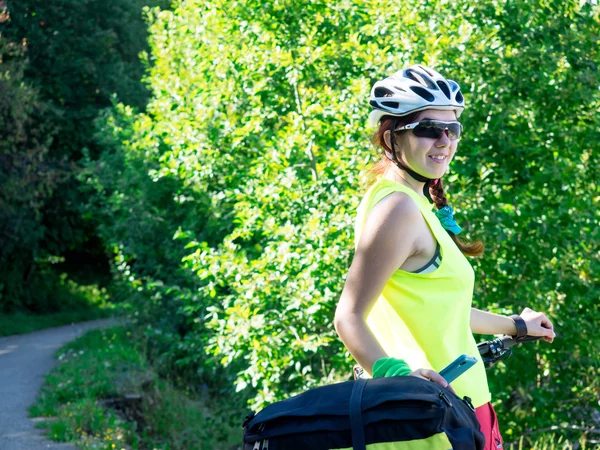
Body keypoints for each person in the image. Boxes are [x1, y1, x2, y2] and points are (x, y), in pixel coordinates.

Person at [334, 64, 556, 450]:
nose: (444, 141)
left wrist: (515, 324)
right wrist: (397, 378)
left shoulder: (412, 203)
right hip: (428, 422)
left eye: (452, 129)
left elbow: (442, 311)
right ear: (391, 138)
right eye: (428, 129)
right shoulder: (396, 209)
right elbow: (348, 316)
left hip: (460, 408)